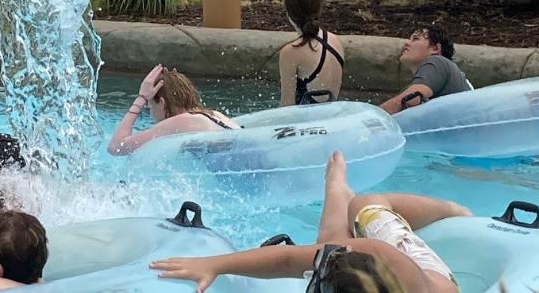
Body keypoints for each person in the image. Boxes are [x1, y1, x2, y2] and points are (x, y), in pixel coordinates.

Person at [151, 151, 469, 293]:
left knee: (348, 218)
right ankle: (336, 183)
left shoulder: (407, 279)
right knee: (347, 220)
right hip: (390, 260)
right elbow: (288, 258)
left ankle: (337, 186)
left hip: (420, 272)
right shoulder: (359, 260)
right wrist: (213, 265)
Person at [108, 65, 240, 155]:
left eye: (150, 105)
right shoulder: (214, 115)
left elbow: (116, 147)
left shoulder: (182, 122)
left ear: (161, 103)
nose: (152, 113)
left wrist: (141, 98)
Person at [278, 0, 345, 106]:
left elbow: (286, 106)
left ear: (289, 15)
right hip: (332, 120)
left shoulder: (291, 52)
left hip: (304, 124)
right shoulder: (335, 41)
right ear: (318, 9)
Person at [379, 26, 472, 115]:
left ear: (435, 49)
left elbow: (412, 98)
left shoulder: (437, 61)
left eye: (415, 39)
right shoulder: (448, 73)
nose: (406, 43)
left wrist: (370, 117)